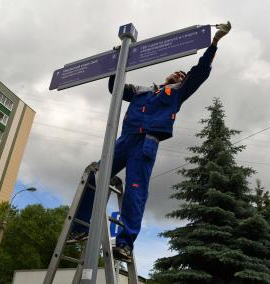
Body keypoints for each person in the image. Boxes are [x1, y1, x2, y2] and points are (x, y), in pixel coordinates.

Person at [76, 22, 231, 261]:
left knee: (135, 191)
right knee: (95, 175)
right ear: (166, 75)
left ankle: (125, 244)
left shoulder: (177, 94)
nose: (179, 76)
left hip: (146, 143)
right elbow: (115, 88)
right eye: (176, 73)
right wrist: (115, 63)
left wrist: (214, 43)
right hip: (124, 140)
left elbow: (199, 73)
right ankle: (80, 227)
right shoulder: (143, 90)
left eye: (182, 76)